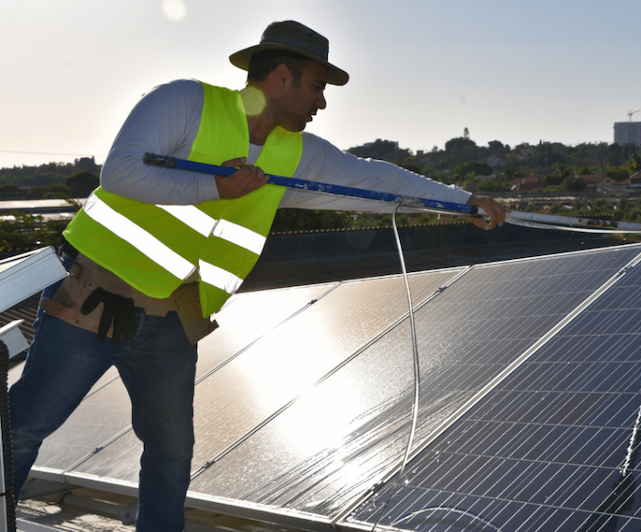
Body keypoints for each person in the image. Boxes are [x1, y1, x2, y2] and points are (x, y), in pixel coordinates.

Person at [8, 20, 508, 531]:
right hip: (96, 297)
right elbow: (118, 173)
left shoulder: (296, 152)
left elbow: (372, 177)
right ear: (283, 76)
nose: (322, 102)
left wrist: (463, 201)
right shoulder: (184, 102)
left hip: (172, 317)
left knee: (172, 454)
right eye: (317, 85)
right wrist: (215, 189)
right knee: (25, 427)